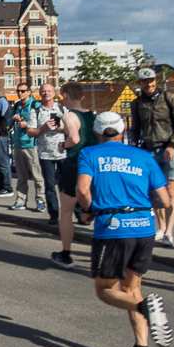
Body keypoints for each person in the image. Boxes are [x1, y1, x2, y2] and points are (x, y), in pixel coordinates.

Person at [76, 112, 174, 347]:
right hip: (144, 227)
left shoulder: (90, 154)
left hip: (113, 228)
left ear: (97, 132)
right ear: (124, 129)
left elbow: (83, 190)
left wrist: (92, 209)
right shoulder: (143, 156)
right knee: (132, 287)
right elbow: (164, 200)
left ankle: (145, 308)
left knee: (105, 289)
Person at [128, 67, 174, 246]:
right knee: (155, 192)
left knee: (171, 191)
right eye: (145, 81)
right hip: (149, 151)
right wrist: (134, 148)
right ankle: (161, 228)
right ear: (139, 83)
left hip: (170, 149)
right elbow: (135, 129)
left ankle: (169, 231)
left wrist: (172, 145)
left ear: (156, 81)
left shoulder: (170, 99)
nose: (149, 84)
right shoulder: (137, 103)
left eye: (152, 80)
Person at [50, 82, 99, 270]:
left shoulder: (68, 115)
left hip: (75, 166)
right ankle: (100, 252)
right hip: (94, 166)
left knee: (66, 212)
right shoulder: (92, 115)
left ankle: (66, 254)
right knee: (95, 208)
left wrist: (64, 146)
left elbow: (75, 138)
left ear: (65, 96)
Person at [26, 83, 66, 226]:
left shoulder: (62, 109)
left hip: (63, 152)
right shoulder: (35, 111)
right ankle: (54, 214)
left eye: (49, 91)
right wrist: (43, 128)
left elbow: (73, 129)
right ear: (40, 93)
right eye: (43, 91)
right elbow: (30, 133)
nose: (46, 94)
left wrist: (62, 128)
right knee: (49, 185)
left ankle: (75, 213)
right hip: (45, 153)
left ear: (54, 93)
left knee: (67, 185)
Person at [8, 82, 45, 212]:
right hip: (18, 144)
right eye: (18, 91)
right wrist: (13, 119)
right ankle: (21, 200)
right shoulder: (17, 105)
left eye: (23, 91)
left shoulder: (36, 105)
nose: (20, 93)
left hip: (32, 144)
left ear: (29, 92)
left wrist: (27, 124)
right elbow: (8, 122)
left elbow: (42, 122)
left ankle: (40, 200)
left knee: (37, 175)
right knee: (21, 176)